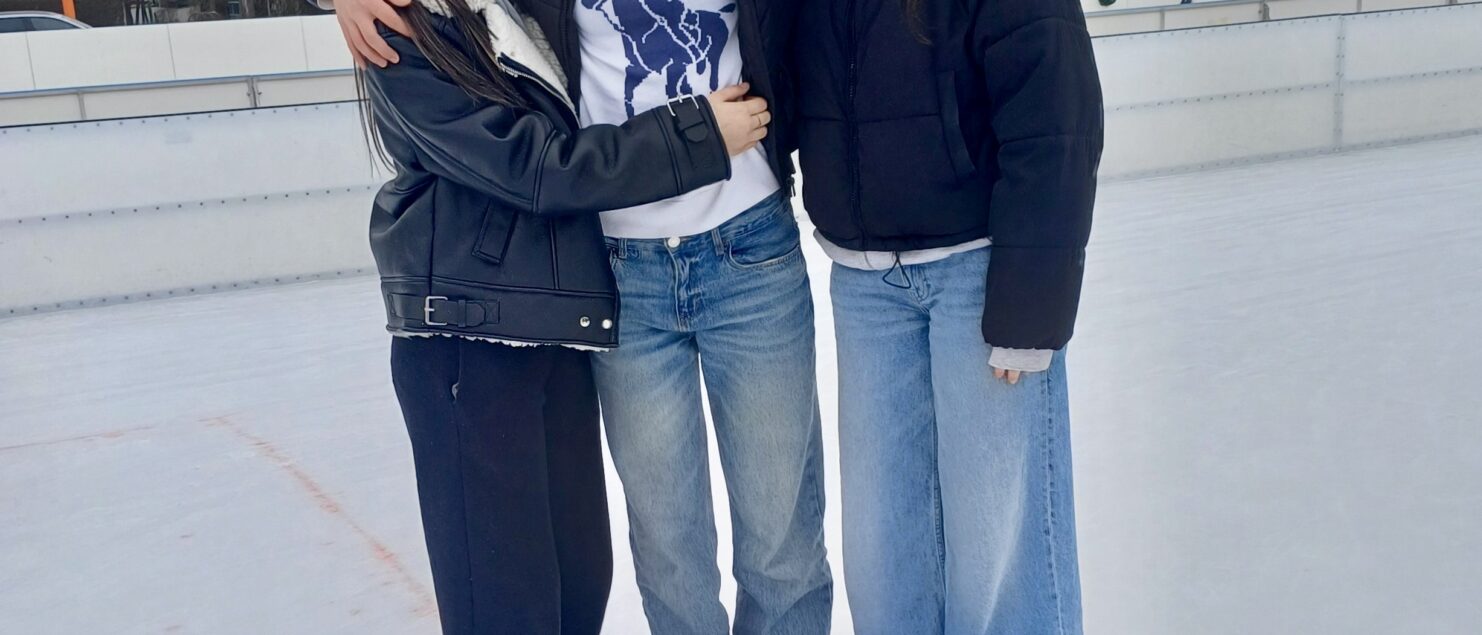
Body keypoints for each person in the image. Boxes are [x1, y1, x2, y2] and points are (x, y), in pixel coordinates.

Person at [333, 0, 833, 632]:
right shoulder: (405, 27)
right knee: (663, 552)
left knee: (775, 545)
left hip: (740, 248)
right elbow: (530, 161)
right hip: (609, 271)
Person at [792, 0, 1103, 633]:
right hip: (866, 280)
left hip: (977, 272)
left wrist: (1028, 312)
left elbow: (1054, 107)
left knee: (997, 546)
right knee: (884, 552)